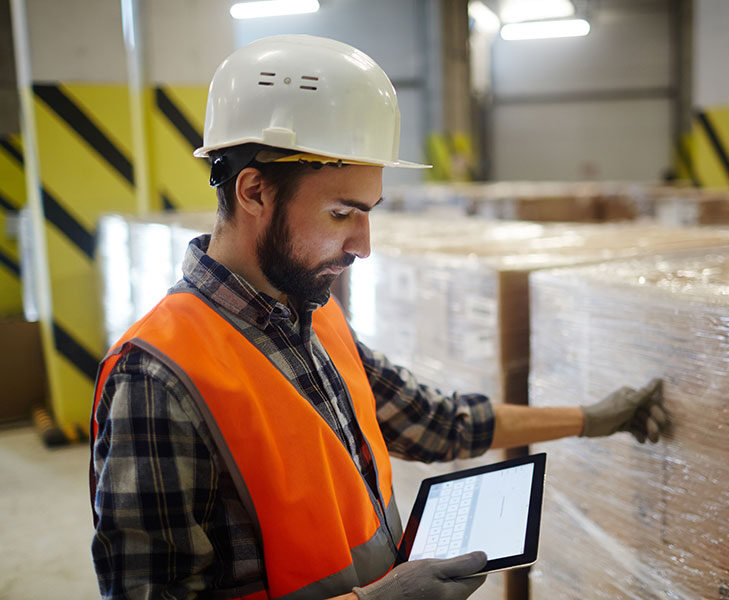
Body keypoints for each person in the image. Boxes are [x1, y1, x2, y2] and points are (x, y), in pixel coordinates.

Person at [89, 35, 667, 600]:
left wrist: (590, 419)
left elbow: (436, 422)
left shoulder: (314, 317)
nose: (363, 245)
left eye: (369, 212)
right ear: (254, 191)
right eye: (342, 213)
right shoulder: (157, 378)